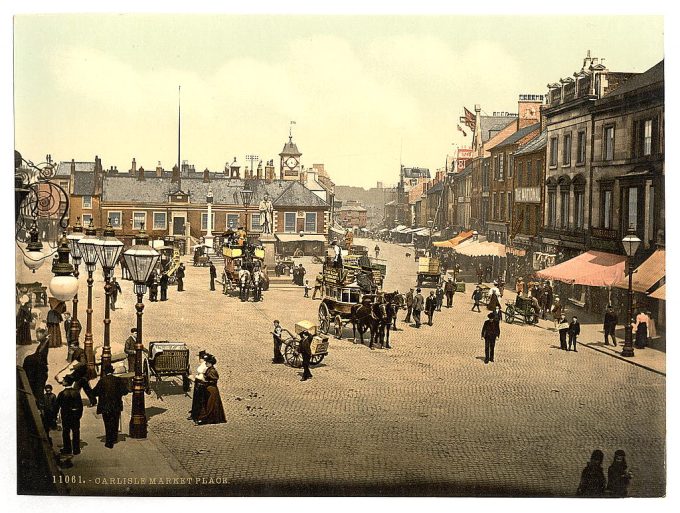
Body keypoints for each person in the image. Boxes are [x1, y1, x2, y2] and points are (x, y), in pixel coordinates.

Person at [92, 364, 129, 448]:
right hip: (116, 405)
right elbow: (125, 391)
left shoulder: (102, 381)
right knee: (115, 421)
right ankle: (114, 437)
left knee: (107, 423)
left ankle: (109, 441)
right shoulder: (118, 380)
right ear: (112, 371)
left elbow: (94, 392)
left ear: (105, 372)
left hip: (105, 406)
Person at [55, 375, 84, 455]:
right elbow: (80, 406)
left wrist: (55, 415)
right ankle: (76, 449)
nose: (62, 381)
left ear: (66, 382)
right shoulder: (76, 393)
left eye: (64, 380)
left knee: (66, 433)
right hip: (75, 416)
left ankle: (67, 449)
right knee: (76, 432)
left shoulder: (62, 394)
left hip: (66, 416)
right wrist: (79, 415)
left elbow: (57, 405)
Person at [195, 355, 226, 425]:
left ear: (210, 363)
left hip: (212, 390)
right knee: (210, 405)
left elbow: (214, 381)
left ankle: (206, 419)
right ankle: (211, 418)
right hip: (209, 389)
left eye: (207, 362)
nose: (205, 363)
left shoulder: (212, 371)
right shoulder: (209, 369)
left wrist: (204, 381)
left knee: (210, 405)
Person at [189, 351, 208, 421]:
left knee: (199, 401)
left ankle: (198, 416)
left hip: (201, 384)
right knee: (196, 400)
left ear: (201, 358)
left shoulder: (204, 365)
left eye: (199, 358)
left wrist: (193, 379)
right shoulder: (204, 364)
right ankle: (194, 415)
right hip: (198, 383)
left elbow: (202, 377)